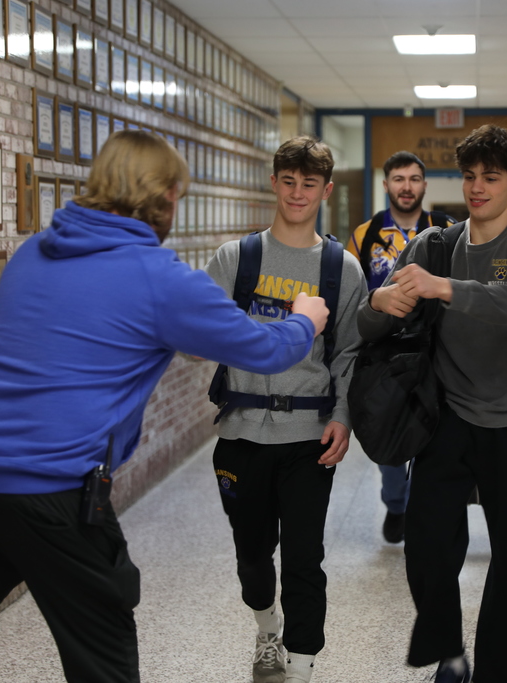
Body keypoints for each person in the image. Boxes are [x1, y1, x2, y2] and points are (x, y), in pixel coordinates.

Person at [0, 130, 329, 683]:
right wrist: (306, 318)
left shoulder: (34, 252)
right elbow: (265, 347)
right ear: (161, 196)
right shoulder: (156, 276)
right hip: (52, 488)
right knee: (104, 658)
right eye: (176, 196)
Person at [356, 125, 507, 683]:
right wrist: (378, 299)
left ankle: (498, 673)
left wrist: (442, 287)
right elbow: (373, 321)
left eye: (491, 178)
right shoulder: (435, 245)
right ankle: (449, 655)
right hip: (445, 420)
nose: (477, 188)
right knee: (425, 550)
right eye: (469, 176)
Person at [205, 136, 366, 683]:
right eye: (289, 181)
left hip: (308, 435)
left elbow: (348, 352)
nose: (298, 193)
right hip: (242, 431)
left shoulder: (342, 268)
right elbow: (205, 331)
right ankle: (266, 625)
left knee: (303, 558)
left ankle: (300, 664)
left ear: (325, 189)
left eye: (310, 184)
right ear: (274, 182)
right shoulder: (236, 259)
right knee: (253, 557)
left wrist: (343, 414)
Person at [346, 151, 452, 544]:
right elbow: (353, 298)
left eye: (414, 179)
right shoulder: (365, 234)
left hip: (436, 350)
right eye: (398, 179)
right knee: (391, 434)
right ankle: (395, 504)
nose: (406, 186)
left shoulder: (446, 228)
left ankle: (429, 511)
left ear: (425, 185)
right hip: (385, 354)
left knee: (437, 434)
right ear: (386, 184)